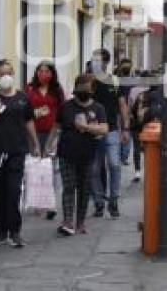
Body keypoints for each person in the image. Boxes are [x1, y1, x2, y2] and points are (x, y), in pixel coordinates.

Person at [0, 59, 39, 248]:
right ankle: (1, 230)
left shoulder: (22, 98)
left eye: (9, 72)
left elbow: (29, 121)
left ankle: (15, 231)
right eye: (1, 73)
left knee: (13, 190)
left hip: (16, 151)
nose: (6, 77)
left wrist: (35, 143)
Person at [48, 74, 108, 236]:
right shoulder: (66, 107)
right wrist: (49, 145)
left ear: (92, 90)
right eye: (81, 87)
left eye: (87, 87)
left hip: (88, 155)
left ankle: (80, 222)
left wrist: (85, 127)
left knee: (84, 189)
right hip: (66, 153)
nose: (84, 90)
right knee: (69, 187)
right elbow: (56, 127)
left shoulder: (98, 108)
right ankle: (68, 221)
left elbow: (104, 129)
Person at [89, 49, 129, 219]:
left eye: (99, 60)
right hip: (92, 131)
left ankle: (113, 199)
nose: (95, 63)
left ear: (106, 63)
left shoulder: (114, 81)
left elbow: (122, 105)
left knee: (114, 164)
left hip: (111, 130)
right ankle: (99, 201)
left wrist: (125, 128)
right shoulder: (88, 81)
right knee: (94, 168)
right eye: (93, 60)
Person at [24, 60, 65, 221]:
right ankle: (36, 200)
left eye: (47, 71)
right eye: (40, 71)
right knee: (35, 165)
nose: (43, 74)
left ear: (52, 74)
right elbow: (24, 111)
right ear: (36, 73)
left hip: (52, 132)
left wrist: (57, 136)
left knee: (50, 167)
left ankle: (50, 203)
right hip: (32, 132)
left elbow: (62, 111)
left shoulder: (57, 90)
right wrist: (36, 113)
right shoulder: (29, 89)